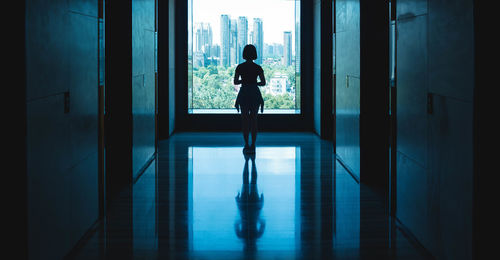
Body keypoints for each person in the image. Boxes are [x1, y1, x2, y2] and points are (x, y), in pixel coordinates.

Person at [234, 44, 266, 153]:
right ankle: (253, 144)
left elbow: (235, 82)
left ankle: (246, 144)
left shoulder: (240, 67)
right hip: (254, 93)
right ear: (254, 54)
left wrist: (244, 81)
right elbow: (263, 82)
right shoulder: (258, 68)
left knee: (245, 121)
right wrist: (253, 82)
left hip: (244, 94)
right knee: (254, 120)